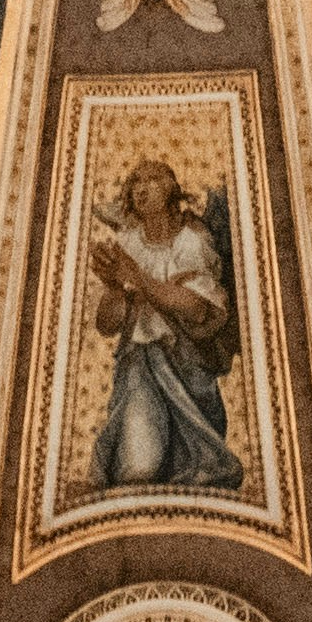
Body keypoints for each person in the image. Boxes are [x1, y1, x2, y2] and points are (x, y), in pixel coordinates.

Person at [83, 156, 241, 491]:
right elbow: (107, 325)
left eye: (152, 179)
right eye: (135, 181)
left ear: (170, 190)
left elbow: (198, 309)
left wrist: (138, 279)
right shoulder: (128, 243)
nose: (141, 188)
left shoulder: (191, 242)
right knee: (137, 471)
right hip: (140, 367)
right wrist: (113, 285)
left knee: (191, 470)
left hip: (186, 370)